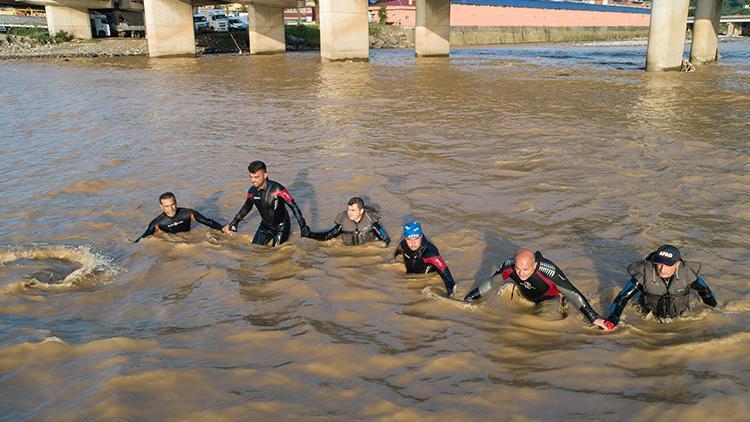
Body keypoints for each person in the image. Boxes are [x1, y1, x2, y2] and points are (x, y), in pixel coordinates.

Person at [464, 248, 611, 329]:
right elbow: (491, 284)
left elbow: (573, 294)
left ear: (534, 265)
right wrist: (468, 299)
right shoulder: (509, 266)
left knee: (538, 325)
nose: (521, 273)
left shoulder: (550, 272)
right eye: (518, 268)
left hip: (549, 299)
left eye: (526, 269)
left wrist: (594, 318)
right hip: (525, 295)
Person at [602, 244, 717, 330]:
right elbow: (622, 298)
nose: (662, 269)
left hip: (681, 317)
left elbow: (705, 291)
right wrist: (613, 319)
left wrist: (715, 311)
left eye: (668, 265)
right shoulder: (643, 275)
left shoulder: (686, 274)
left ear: (677, 265)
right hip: (649, 316)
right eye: (659, 264)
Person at [222, 161, 310, 246]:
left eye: (256, 177)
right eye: (251, 177)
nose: (253, 180)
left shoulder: (278, 189)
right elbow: (246, 207)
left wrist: (303, 225)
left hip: (281, 227)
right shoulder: (252, 191)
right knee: (254, 249)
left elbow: (293, 205)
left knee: (276, 253)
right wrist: (235, 222)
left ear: (265, 175)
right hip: (265, 226)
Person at [393, 221, 456, 297]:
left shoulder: (430, 252)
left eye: (416, 239)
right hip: (410, 280)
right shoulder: (403, 245)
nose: (413, 243)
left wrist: (451, 295)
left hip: (427, 280)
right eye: (409, 239)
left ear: (421, 236)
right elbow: (396, 255)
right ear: (405, 238)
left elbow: (448, 278)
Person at [134, 192, 224, 243]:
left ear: (176, 202)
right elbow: (142, 239)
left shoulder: (188, 213)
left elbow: (208, 222)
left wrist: (223, 229)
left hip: (188, 238)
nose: (171, 208)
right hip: (171, 241)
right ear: (161, 207)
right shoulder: (157, 223)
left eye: (173, 204)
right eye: (167, 206)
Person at [304, 197, 390, 246]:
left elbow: (385, 240)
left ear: (361, 211)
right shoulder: (343, 221)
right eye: (348, 210)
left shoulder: (371, 221)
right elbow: (327, 236)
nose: (349, 213)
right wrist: (310, 234)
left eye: (353, 210)